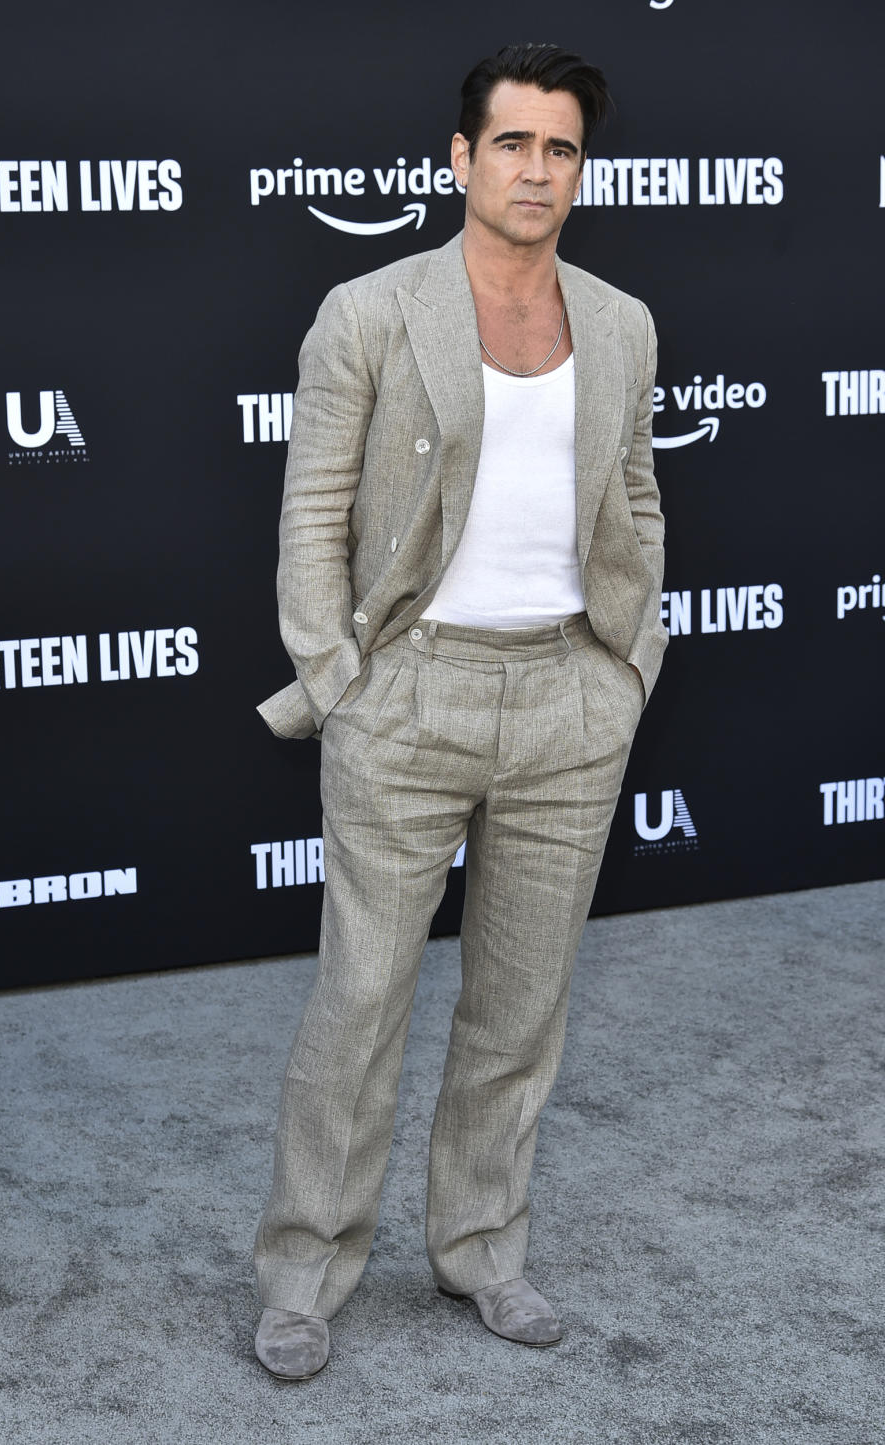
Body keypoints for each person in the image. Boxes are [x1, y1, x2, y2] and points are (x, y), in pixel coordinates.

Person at [253, 42, 667, 1379]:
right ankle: (307, 1269)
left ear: (578, 168)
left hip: (569, 694)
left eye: (559, 148)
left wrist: (627, 664)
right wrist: (340, 682)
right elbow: (313, 512)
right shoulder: (369, 309)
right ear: (461, 159)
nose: (536, 169)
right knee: (362, 998)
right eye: (512, 144)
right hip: (410, 691)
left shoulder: (619, 323)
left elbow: (637, 498)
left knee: (522, 1005)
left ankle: (483, 1247)